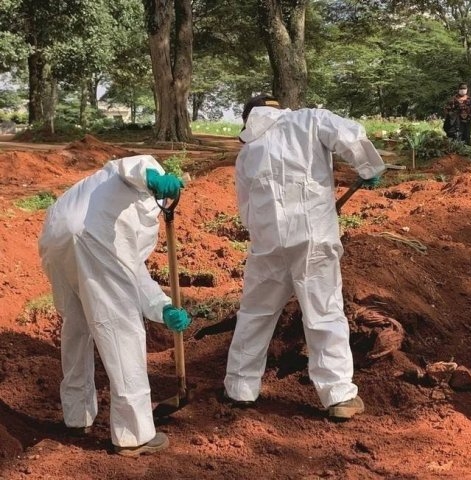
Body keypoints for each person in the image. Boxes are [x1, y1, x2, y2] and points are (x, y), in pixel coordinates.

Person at [224, 94, 385, 419]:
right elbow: (349, 134)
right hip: (314, 238)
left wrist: (267, 232)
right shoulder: (309, 120)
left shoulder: (248, 152)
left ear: (248, 119)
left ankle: (240, 387)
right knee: (324, 312)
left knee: (255, 313)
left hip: (268, 243)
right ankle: (338, 396)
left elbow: (246, 210)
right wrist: (370, 166)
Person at [38, 155, 191, 456]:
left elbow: (131, 270)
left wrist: (163, 307)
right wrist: (152, 178)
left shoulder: (107, 196)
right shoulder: (145, 174)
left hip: (56, 236)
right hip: (92, 235)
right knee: (122, 329)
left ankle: (77, 416)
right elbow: (130, 166)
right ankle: (134, 434)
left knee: (78, 325)